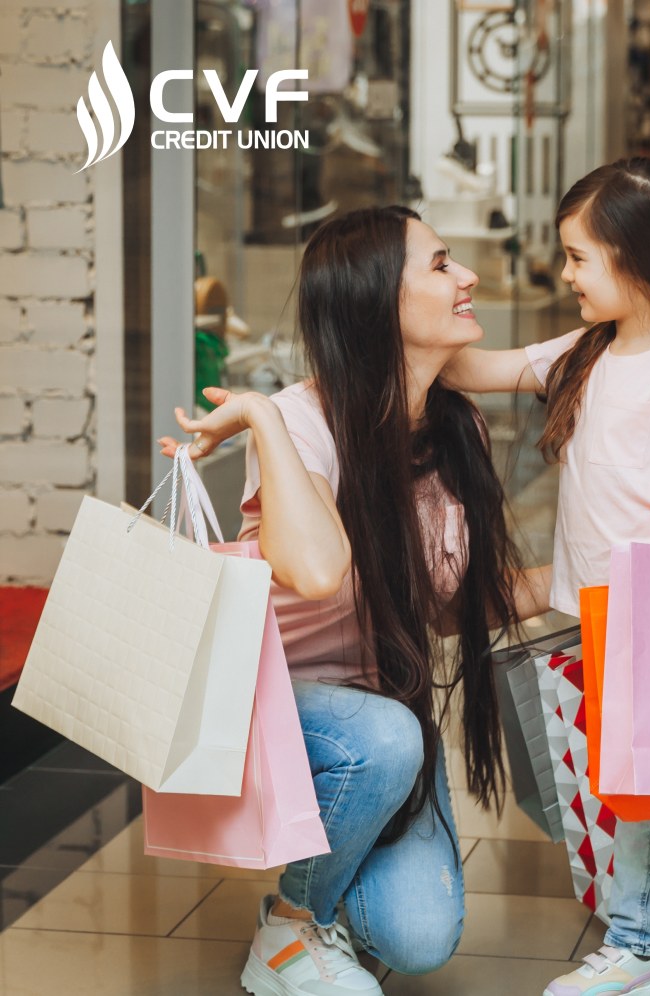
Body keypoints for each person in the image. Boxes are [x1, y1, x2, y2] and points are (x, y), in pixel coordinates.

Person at [160, 206, 551, 996]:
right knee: (387, 735)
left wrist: (583, 575)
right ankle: (291, 929)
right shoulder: (301, 424)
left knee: (420, 937)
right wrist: (264, 415)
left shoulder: (455, 427)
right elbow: (314, 571)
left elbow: (445, 611)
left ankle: (327, 903)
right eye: (441, 265)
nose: (467, 275)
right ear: (380, 302)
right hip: (273, 711)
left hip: (377, 723)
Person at [442, 157, 650, 996]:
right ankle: (637, 945)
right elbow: (481, 371)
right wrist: (413, 320)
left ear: (636, 258)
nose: (567, 272)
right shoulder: (585, 351)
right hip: (601, 620)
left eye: (580, 257)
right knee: (627, 790)